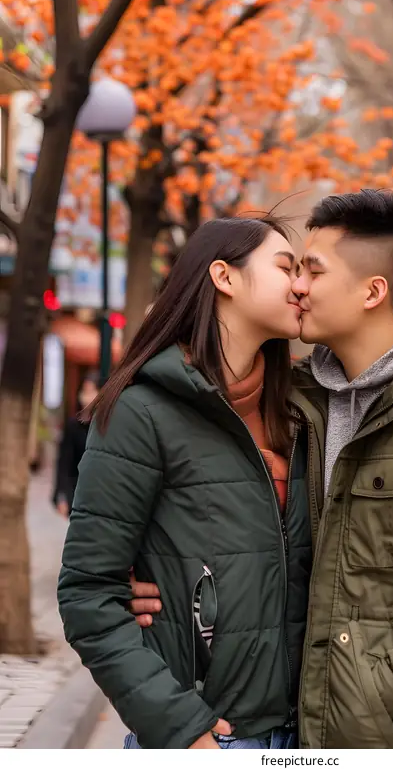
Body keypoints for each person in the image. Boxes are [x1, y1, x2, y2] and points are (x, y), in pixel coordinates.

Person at [131, 189, 393, 749]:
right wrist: (145, 581)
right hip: (295, 731)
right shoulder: (294, 401)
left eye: (312, 270)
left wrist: (373, 692)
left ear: (372, 291)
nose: (296, 285)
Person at [57, 217, 312, 750]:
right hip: (207, 738)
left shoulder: (303, 416)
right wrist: (178, 727)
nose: (301, 285)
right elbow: (88, 592)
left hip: (308, 736)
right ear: (224, 277)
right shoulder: (141, 413)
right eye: (286, 267)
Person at [52, 373, 99, 517]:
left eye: (90, 392)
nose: (86, 397)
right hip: (77, 492)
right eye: (84, 392)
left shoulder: (105, 426)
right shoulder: (73, 425)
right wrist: (61, 495)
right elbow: (64, 462)